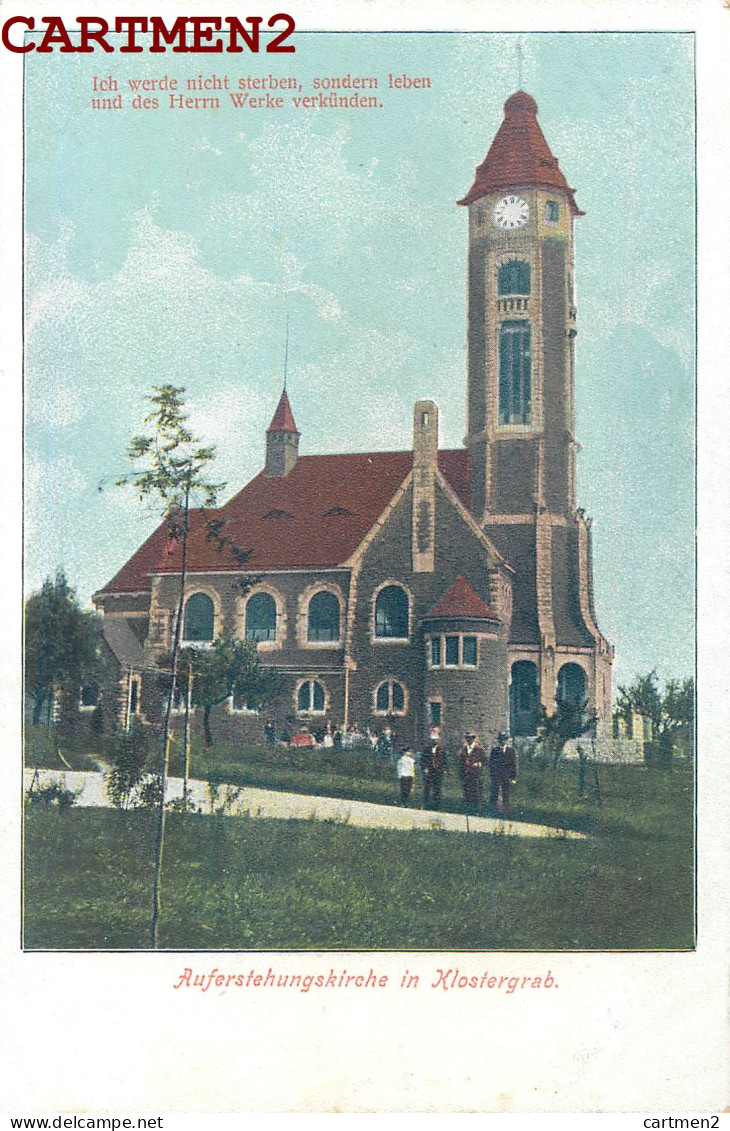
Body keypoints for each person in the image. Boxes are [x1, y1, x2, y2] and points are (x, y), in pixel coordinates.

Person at [489, 731, 518, 813]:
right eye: (501, 740)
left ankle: (506, 809)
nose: (502, 741)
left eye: (504, 739)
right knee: (495, 792)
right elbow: (491, 764)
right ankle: (493, 809)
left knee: (506, 792)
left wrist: (513, 777)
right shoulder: (494, 750)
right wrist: (492, 775)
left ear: (507, 740)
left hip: (506, 775)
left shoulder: (511, 751)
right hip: (496, 775)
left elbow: (513, 765)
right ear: (499, 740)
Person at [459, 731, 486, 813]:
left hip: (475, 775)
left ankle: (476, 811)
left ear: (473, 739)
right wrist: (461, 773)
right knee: (466, 792)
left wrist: (478, 764)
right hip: (466, 774)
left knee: (475, 793)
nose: (468, 740)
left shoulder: (479, 749)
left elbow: (484, 760)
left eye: (470, 738)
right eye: (467, 738)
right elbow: (460, 762)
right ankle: (467, 810)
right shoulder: (463, 749)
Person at [421, 734, 448, 810]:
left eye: (436, 740)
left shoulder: (441, 750)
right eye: (433, 740)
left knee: (437, 788)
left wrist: (444, 769)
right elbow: (423, 760)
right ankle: (426, 804)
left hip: (438, 771)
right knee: (427, 788)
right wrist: (425, 768)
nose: (434, 742)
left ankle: (437, 805)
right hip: (429, 771)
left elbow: (444, 760)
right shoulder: (427, 750)